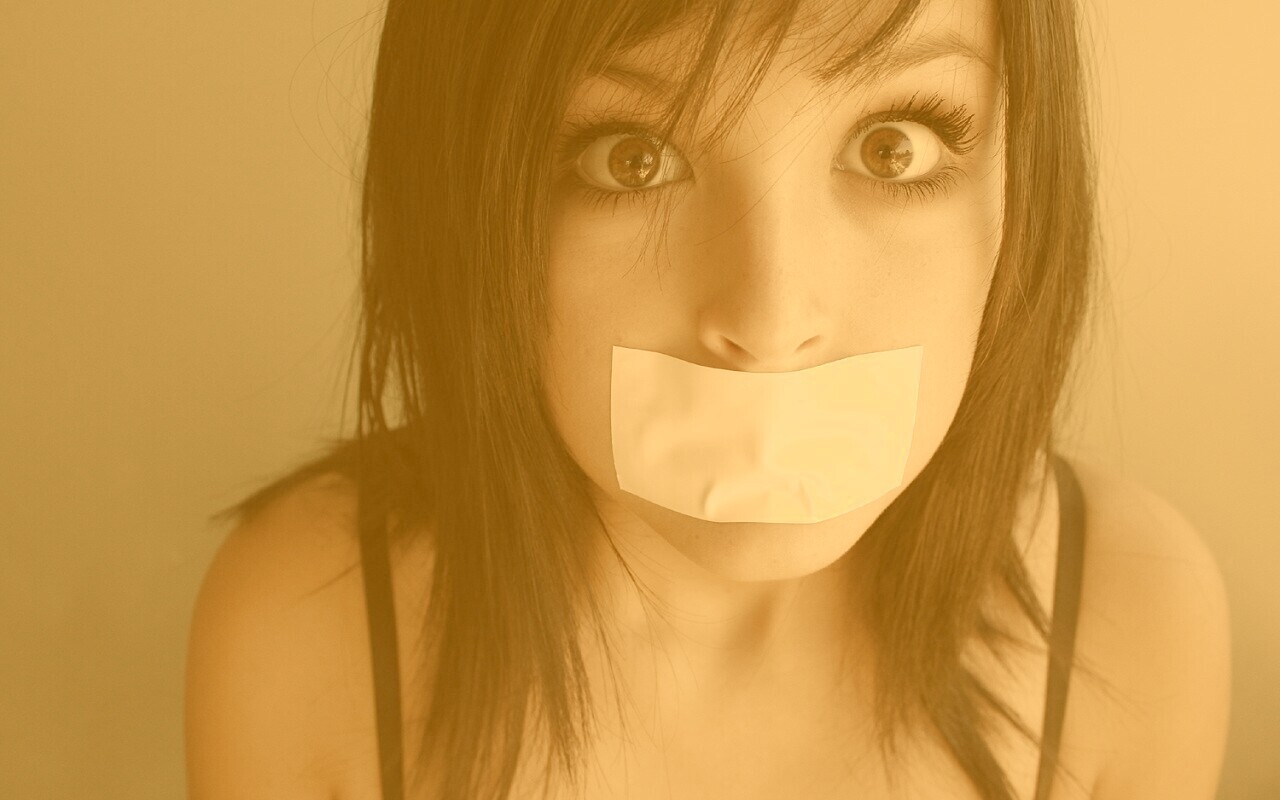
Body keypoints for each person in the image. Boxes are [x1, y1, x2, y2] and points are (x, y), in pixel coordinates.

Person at [184, 0, 1232, 798]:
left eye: (893, 144)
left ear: (1020, 178)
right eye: (632, 158)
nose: (769, 320)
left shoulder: (1128, 623)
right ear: (471, 199)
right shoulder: (310, 631)